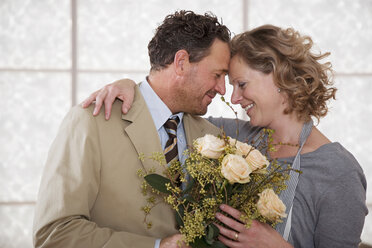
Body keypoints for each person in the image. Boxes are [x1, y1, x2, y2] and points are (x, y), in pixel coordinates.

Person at [83, 25, 368, 248]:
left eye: (242, 84)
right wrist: (128, 87)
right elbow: (167, 110)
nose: (233, 97)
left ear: (279, 78)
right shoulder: (230, 136)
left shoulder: (338, 172)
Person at [33, 10, 231, 248]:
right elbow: (55, 233)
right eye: (218, 75)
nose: (222, 89)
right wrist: (156, 246)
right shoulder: (90, 122)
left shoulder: (215, 137)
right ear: (181, 63)